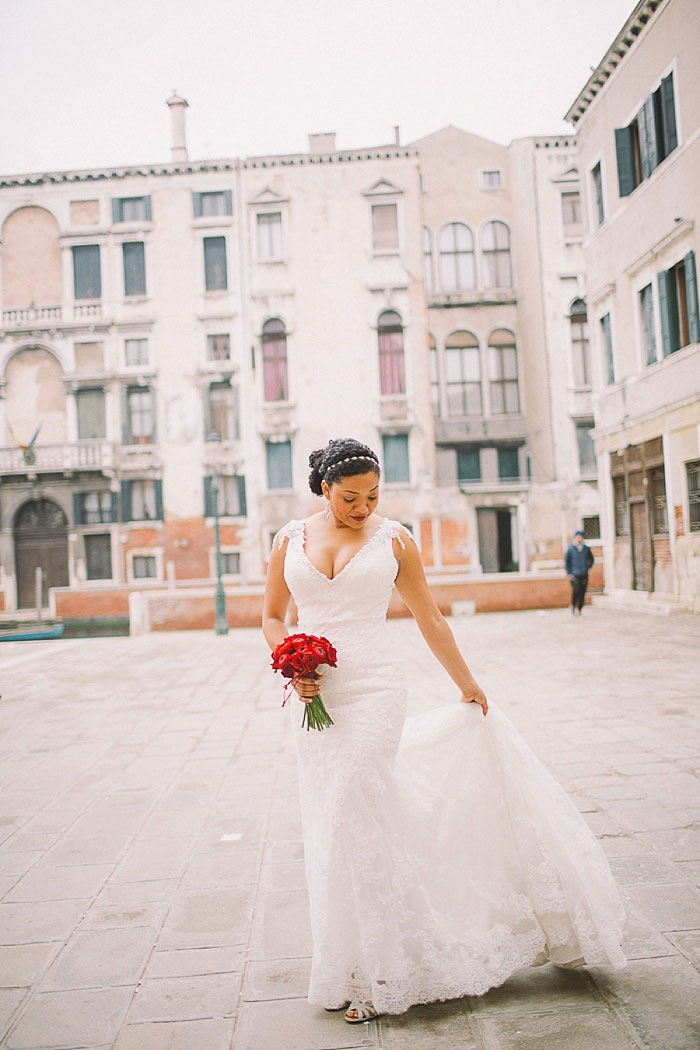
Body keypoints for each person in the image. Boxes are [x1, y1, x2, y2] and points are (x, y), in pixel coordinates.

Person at [262, 437, 625, 1025]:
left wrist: (468, 682)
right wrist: (293, 662)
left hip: (378, 688)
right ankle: (350, 963)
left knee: (356, 800)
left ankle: (387, 975)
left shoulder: (395, 539)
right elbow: (273, 617)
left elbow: (428, 614)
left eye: (373, 495)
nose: (363, 507)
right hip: (318, 696)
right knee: (335, 822)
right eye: (350, 497)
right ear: (324, 489)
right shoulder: (288, 541)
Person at [565, 530, 594, 616]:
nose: (579, 539)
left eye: (580, 537)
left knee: (582, 592)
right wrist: (569, 573)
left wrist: (587, 566)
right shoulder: (571, 549)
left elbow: (591, 559)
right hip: (574, 575)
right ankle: (573, 605)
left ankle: (580, 609)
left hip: (584, 574)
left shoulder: (586, 549)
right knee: (576, 591)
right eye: (578, 537)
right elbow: (567, 562)